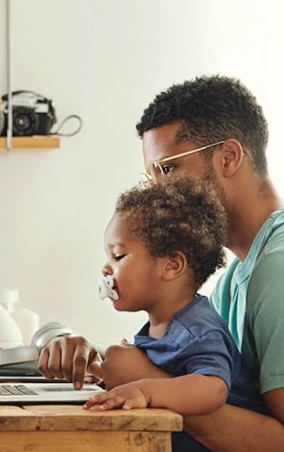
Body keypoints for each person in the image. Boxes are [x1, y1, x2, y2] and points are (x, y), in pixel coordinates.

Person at [38, 76, 284, 450]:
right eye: (151, 176)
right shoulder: (236, 274)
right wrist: (99, 356)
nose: (158, 192)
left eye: (167, 170)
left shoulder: (278, 269)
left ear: (228, 157)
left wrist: (146, 381)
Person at [83, 177, 268, 450]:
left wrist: (144, 389)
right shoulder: (163, 325)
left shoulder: (197, 329)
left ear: (172, 265)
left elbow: (213, 388)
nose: (106, 269)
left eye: (118, 256)